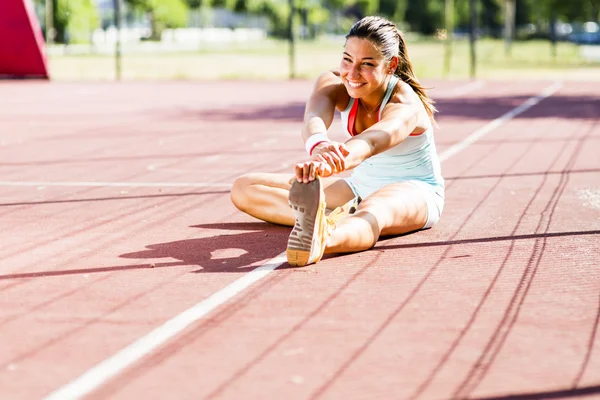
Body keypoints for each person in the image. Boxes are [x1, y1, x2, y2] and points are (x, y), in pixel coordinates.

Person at [230, 16, 444, 267]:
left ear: (391, 65)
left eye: (366, 64)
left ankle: (322, 237)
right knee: (244, 188)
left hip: (413, 191)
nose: (352, 73)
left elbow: (371, 142)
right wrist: (319, 145)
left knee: (374, 210)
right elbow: (314, 117)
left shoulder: (404, 104)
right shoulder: (334, 82)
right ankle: (323, 218)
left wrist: (334, 161)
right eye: (347, 59)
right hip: (357, 187)